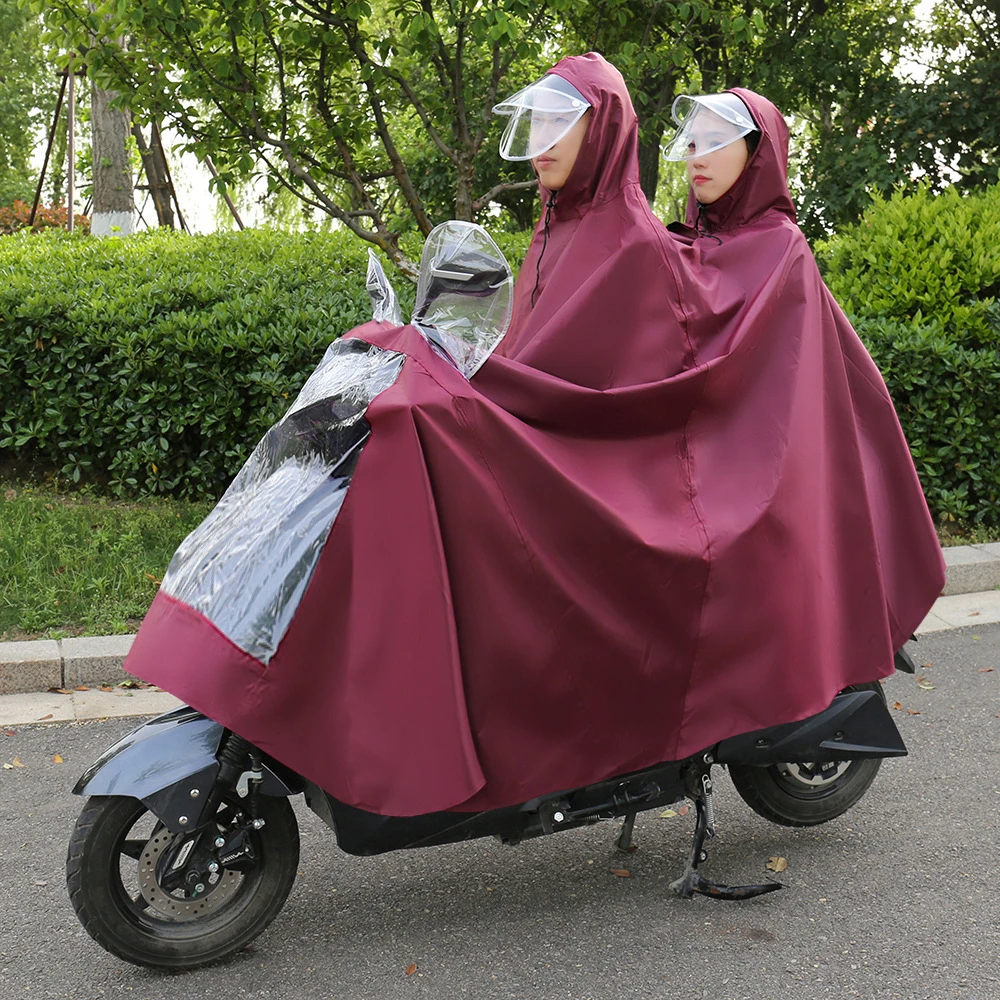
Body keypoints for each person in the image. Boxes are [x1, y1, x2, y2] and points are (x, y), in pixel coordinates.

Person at [122, 56, 945, 819]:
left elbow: (647, 396)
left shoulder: (669, 248)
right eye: (689, 138)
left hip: (668, 479)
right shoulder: (572, 230)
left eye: (717, 141)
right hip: (611, 455)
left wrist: (458, 396)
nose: (695, 155)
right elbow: (522, 362)